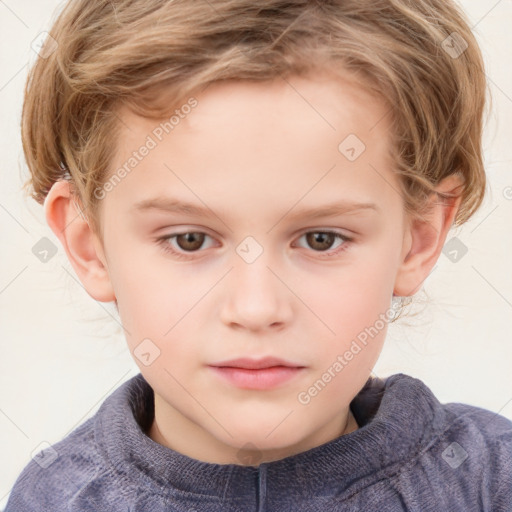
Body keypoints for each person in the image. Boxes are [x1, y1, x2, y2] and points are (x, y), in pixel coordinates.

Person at [6, 0, 512, 510]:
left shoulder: (492, 482)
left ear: (419, 238)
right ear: (89, 245)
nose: (256, 309)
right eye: (190, 240)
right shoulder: (52, 500)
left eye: (321, 239)